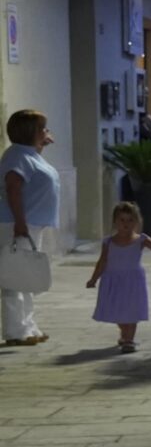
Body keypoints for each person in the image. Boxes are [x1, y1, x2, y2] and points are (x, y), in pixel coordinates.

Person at [3, 110, 61, 347]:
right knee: (15, 277)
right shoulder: (17, 156)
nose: (47, 133)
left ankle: (28, 326)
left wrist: (40, 147)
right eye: (43, 129)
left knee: (26, 276)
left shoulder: (29, 154)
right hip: (15, 224)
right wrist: (20, 221)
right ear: (31, 131)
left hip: (31, 223)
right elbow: (13, 188)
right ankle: (15, 330)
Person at [86, 201, 151, 352]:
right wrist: (94, 278)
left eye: (130, 220)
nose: (126, 224)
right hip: (113, 281)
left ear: (136, 222)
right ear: (115, 221)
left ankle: (129, 340)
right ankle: (124, 332)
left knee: (131, 311)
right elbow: (102, 261)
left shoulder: (141, 239)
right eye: (122, 220)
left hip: (133, 282)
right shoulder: (108, 242)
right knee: (117, 312)